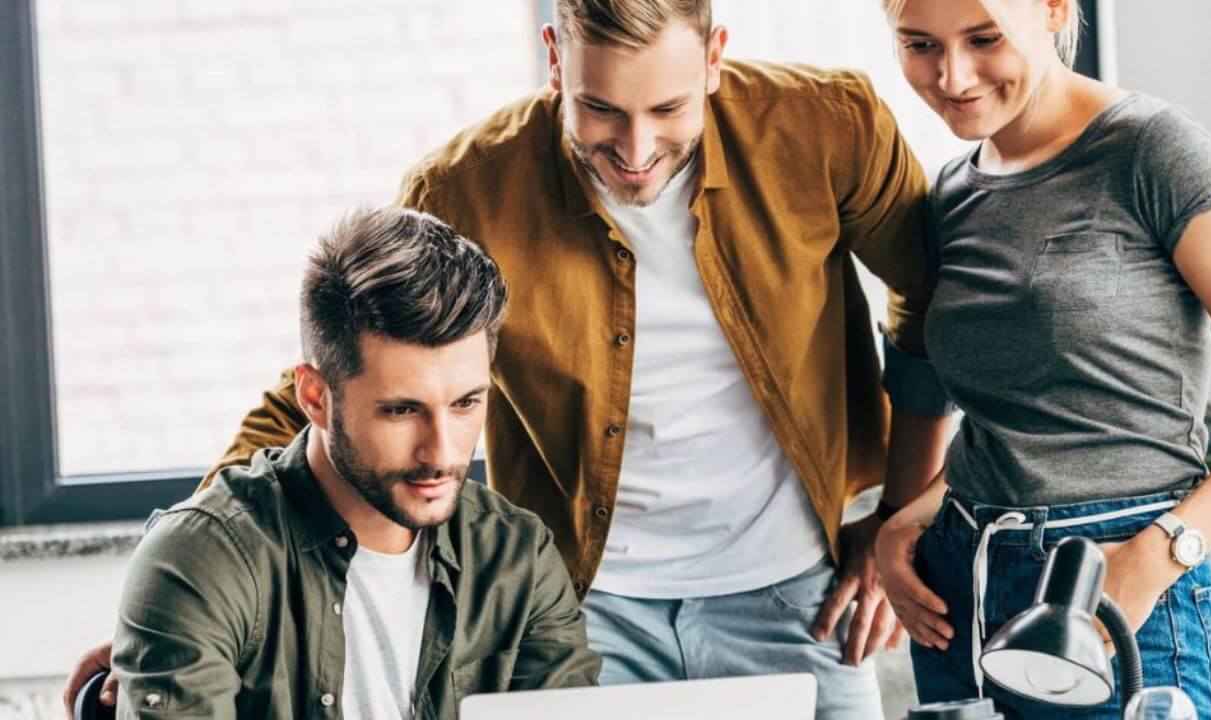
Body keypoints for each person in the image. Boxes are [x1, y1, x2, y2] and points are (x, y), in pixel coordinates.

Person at [66, 2, 956, 717]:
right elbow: (341, 381)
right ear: (555, 59)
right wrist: (169, 592)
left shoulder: (829, 126)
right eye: (600, 108)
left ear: (715, 56)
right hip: (582, 603)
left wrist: (899, 517)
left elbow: (934, 311)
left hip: (795, 588)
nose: (636, 151)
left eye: (669, 110)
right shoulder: (465, 187)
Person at [871, 1, 1211, 718]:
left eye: (983, 38)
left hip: (1116, 593)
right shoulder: (953, 190)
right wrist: (908, 520)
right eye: (919, 44)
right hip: (955, 592)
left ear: (1056, 8)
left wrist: (1160, 556)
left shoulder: (1152, 150)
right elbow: (1016, 417)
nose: (952, 75)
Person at [106, 207, 600, 719]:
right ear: (316, 397)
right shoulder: (204, 564)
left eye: (465, 404)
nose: (444, 453)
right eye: (402, 410)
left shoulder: (517, 556)